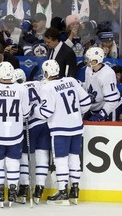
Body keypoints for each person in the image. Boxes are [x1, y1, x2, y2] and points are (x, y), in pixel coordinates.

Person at [32, 59, 91, 205]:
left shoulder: (48, 87)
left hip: (60, 129)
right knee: (74, 157)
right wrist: (74, 115)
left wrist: (34, 109)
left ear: (46, 72)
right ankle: (75, 190)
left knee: (61, 160)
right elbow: (86, 103)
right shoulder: (72, 80)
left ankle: (63, 191)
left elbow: (46, 112)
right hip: (77, 127)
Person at [0, 62, 32, 208]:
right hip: (15, 133)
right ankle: (12, 192)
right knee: (13, 163)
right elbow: (26, 113)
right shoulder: (22, 89)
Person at [11, 68, 51, 205]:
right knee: (42, 156)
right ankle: (39, 189)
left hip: (29, 125)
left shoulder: (17, 89)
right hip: (44, 123)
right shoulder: (37, 84)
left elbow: (21, 111)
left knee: (23, 156)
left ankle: (23, 189)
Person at [83, 47, 121, 121]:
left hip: (109, 109)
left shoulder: (107, 74)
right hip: (95, 107)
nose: (85, 61)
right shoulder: (88, 69)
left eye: (88, 59)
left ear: (94, 61)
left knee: (109, 132)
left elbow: (112, 100)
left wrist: (103, 113)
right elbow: (90, 87)